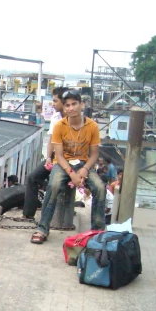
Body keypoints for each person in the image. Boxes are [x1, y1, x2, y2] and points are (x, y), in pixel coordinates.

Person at [31, 90, 106, 244]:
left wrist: (85, 169)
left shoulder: (92, 126)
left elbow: (94, 154)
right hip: (64, 164)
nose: (71, 108)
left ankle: (97, 231)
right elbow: (58, 155)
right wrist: (72, 174)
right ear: (64, 109)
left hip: (84, 163)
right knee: (54, 185)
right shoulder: (60, 126)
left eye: (74, 104)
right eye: (67, 105)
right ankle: (42, 228)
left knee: (99, 187)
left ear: (81, 105)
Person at [22, 87, 68, 220]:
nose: (52, 104)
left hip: (69, 158)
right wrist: (48, 158)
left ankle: (46, 219)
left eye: (55, 101)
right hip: (55, 157)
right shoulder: (55, 118)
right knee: (32, 177)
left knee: (55, 182)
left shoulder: (73, 119)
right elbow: (51, 141)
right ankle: (28, 213)